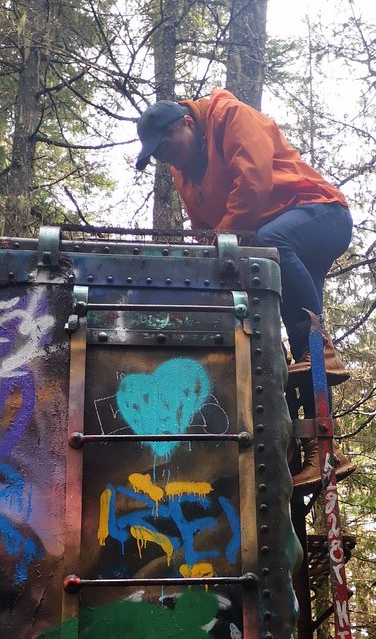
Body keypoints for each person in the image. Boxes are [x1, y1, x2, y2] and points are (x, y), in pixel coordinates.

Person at [135, 91, 354, 488]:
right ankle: (324, 452)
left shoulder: (229, 115)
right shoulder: (182, 170)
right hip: (274, 243)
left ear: (185, 122)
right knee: (294, 351)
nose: (165, 157)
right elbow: (204, 228)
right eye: (157, 154)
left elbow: (252, 183)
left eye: (166, 145)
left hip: (320, 214)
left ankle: (322, 350)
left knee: (273, 246)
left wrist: (224, 244)